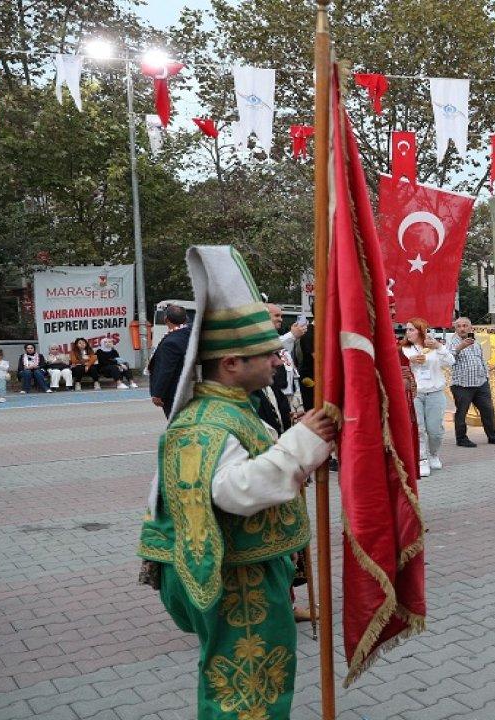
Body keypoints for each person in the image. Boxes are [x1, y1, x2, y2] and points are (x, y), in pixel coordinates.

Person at [137, 245, 336, 720]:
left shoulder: (230, 409)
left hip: (246, 566)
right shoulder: (204, 423)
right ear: (230, 363)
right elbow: (232, 491)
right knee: (245, 689)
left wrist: (300, 444)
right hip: (233, 576)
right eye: (265, 354)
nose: (276, 360)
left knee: (259, 678)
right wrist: (300, 447)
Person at [401, 318, 454, 475]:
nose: (407, 332)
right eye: (407, 329)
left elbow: (450, 361)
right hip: (415, 393)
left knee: (435, 430)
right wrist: (409, 360)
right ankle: (422, 459)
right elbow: (398, 366)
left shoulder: (434, 346)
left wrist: (438, 346)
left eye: (411, 329)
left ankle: (433, 454)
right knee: (419, 428)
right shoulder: (404, 348)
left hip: (435, 393)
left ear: (421, 330)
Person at [450, 317, 495, 448]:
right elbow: (448, 358)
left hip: (480, 384)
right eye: (459, 326)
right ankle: (461, 438)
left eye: (465, 326)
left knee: (488, 410)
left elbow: (482, 360)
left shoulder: (475, 342)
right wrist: (460, 347)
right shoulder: (451, 342)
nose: (462, 328)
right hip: (462, 385)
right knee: (461, 412)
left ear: (471, 328)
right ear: (456, 328)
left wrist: (486, 377)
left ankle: (493, 436)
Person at [149, 304, 192, 417]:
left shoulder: (171, 342)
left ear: (166, 319)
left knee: (177, 424)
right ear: (185, 318)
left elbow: (166, 370)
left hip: (174, 392)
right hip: (190, 388)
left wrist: (157, 394)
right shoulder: (190, 334)